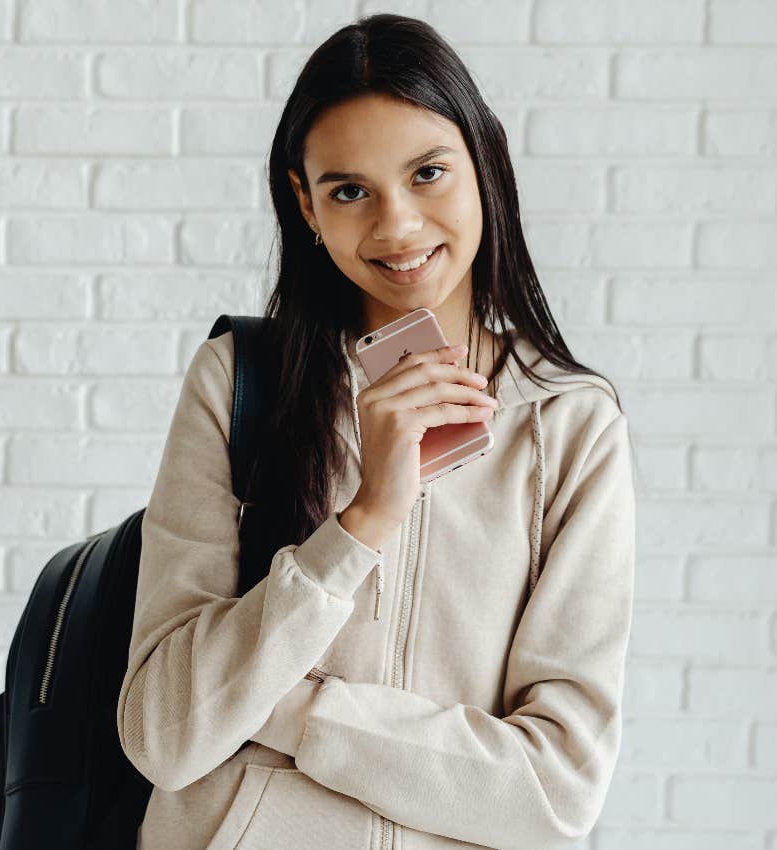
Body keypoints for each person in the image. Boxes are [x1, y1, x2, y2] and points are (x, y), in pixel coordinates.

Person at [116, 12, 638, 850]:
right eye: (349, 190)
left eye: (428, 173)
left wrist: (289, 706)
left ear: (486, 165)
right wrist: (362, 524)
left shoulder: (570, 424)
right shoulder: (237, 381)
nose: (395, 226)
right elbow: (168, 736)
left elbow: (556, 792)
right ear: (306, 205)